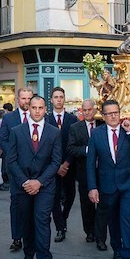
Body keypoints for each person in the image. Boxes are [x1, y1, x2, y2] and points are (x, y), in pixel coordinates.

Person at [87, 100, 130, 259]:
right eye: (110, 113)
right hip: (107, 184)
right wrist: (92, 187)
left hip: (129, 183)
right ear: (103, 116)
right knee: (112, 219)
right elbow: (91, 163)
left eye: (116, 112)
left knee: (126, 217)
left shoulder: (129, 130)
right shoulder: (97, 134)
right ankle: (117, 248)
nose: (114, 116)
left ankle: (128, 255)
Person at [7, 95, 62, 259]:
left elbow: (55, 162)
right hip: (22, 186)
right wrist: (25, 182)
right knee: (26, 221)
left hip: (45, 186)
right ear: (28, 109)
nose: (37, 111)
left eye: (40, 108)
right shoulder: (17, 131)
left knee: (42, 222)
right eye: (34, 108)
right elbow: (11, 161)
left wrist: (39, 182)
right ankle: (28, 254)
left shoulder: (54, 132)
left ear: (45, 109)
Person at [0, 86, 34, 251]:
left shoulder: (39, 116)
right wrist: (15, 157)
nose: (26, 102)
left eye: (29, 98)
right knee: (16, 204)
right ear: (17, 99)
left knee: (34, 205)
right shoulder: (9, 119)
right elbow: (3, 141)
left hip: (35, 171)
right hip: (15, 169)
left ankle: (33, 237)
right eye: (23, 98)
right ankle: (17, 238)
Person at [66, 99, 102, 243]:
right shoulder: (75, 127)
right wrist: (88, 150)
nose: (87, 113)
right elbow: (70, 148)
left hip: (103, 172)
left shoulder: (103, 124)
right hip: (84, 173)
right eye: (84, 110)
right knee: (86, 205)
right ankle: (90, 232)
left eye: (89, 110)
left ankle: (100, 233)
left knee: (103, 205)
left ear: (95, 110)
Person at [47, 87, 78, 243]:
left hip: (69, 165)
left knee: (71, 194)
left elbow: (74, 143)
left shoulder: (72, 120)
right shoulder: (46, 120)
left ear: (64, 99)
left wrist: (66, 163)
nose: (59, 99)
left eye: (61, 97)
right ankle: (60, 227)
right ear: (51, 100)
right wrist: (56, 165)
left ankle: (63, 217)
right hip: (52, 167)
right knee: (54, 197)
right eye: (56, 97)